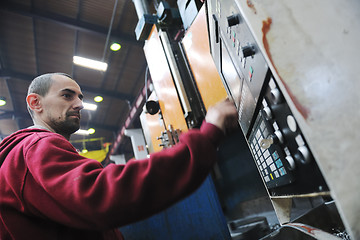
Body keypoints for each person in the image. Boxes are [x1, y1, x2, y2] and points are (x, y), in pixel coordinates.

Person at [0, 73, 238, 239]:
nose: (80, 104)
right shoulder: (37, 147)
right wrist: (208, 134)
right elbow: (103, 195)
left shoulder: (23, 157)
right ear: (35, 102)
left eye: (80, 97)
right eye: (67, 95)